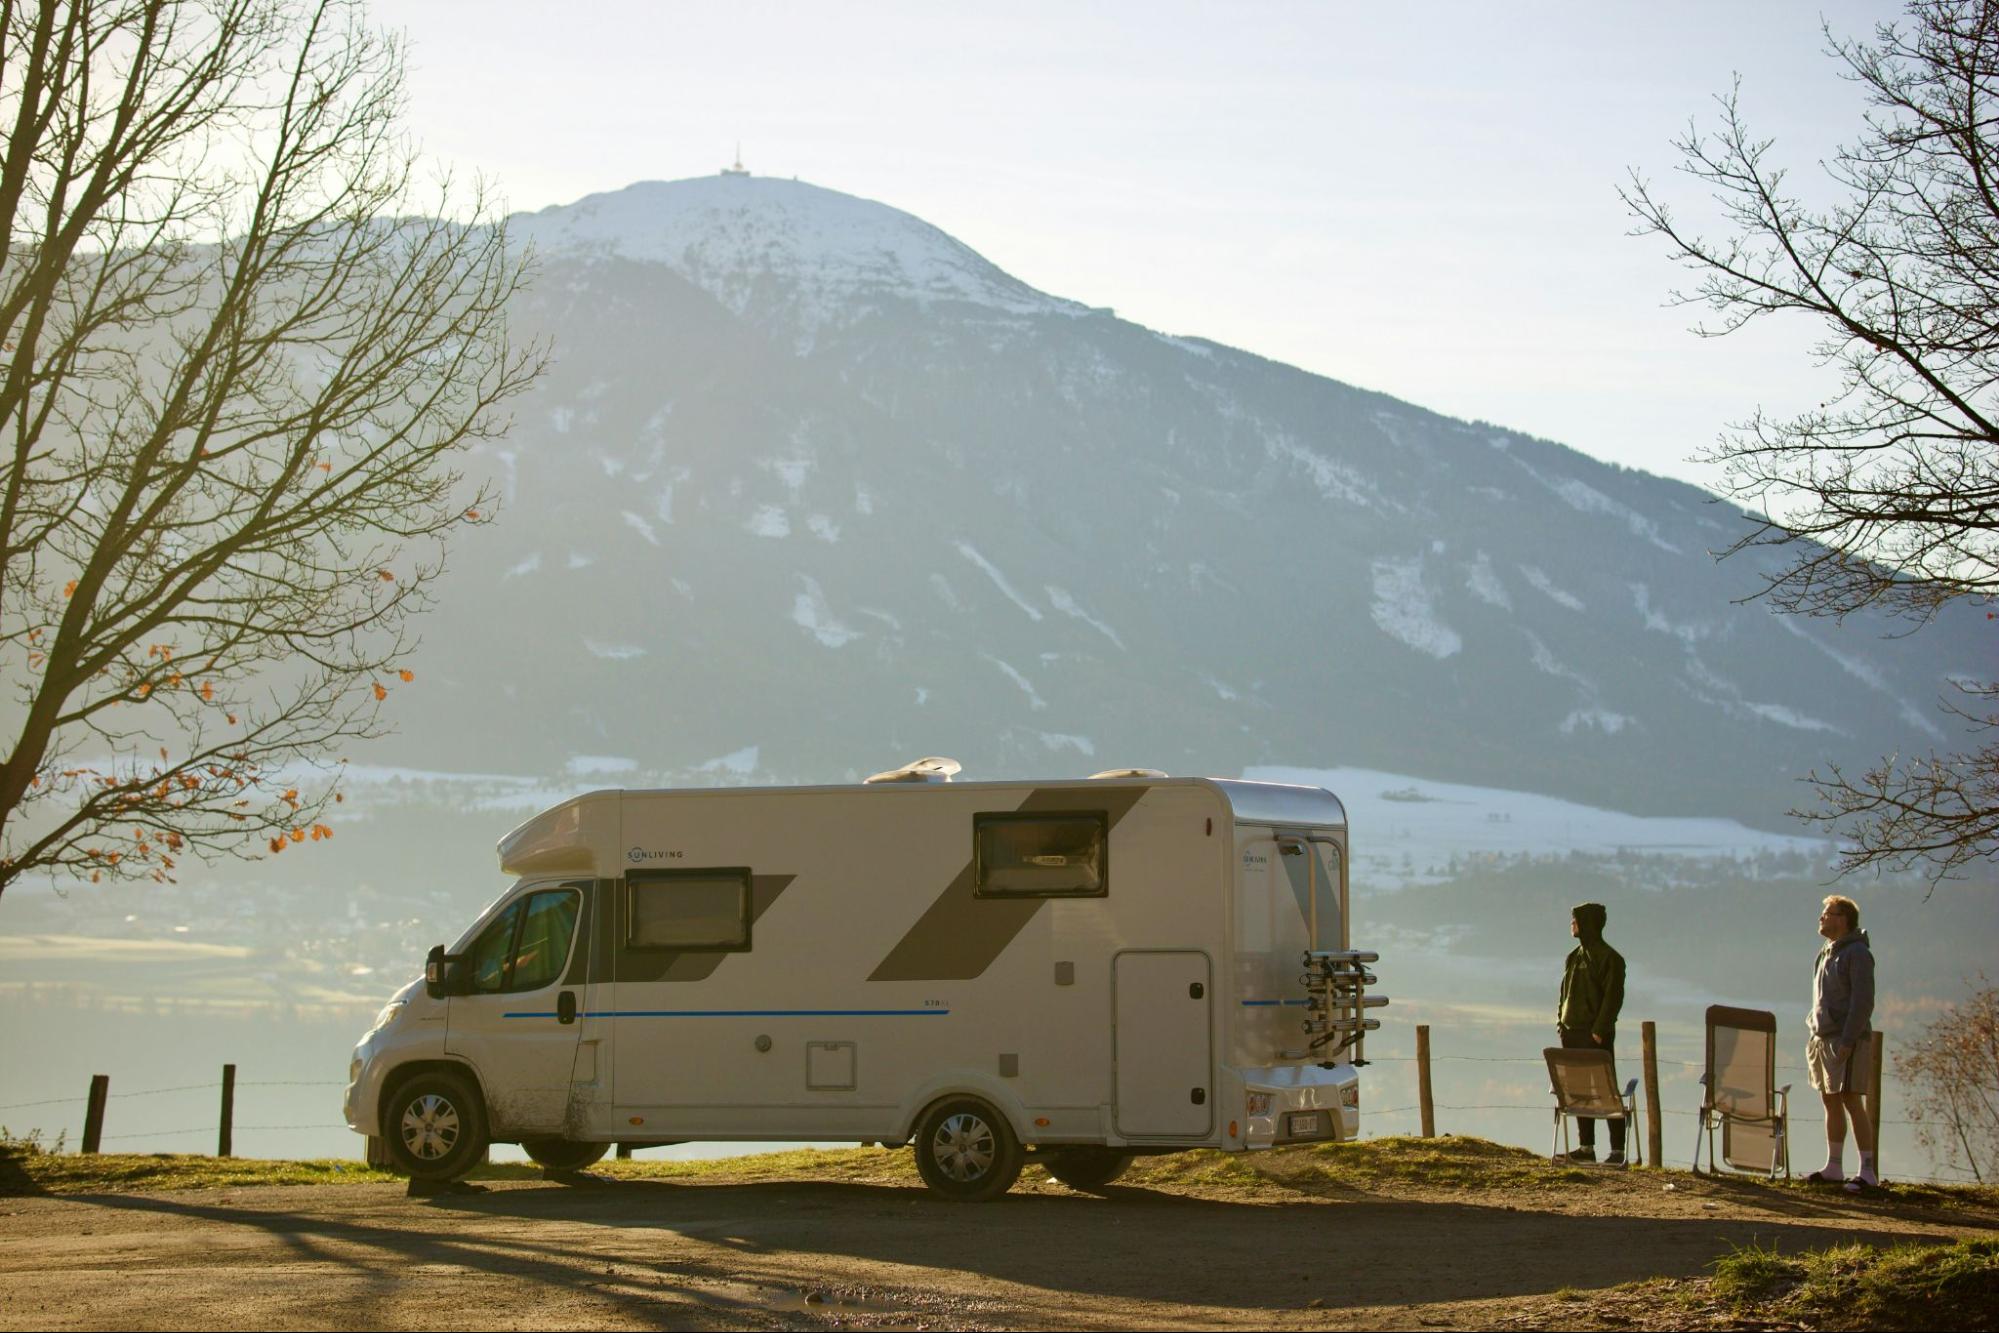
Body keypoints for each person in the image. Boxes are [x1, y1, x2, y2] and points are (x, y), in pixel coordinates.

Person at [1807, 894, 1878, 1191]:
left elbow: (1863, 1001)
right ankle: (1834, 1166)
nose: (1822, 917)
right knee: (1830, 1099)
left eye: (1828, 912)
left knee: (1851, 1098)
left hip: (1846, 1039)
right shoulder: (1825, 952)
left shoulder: (1857, 954)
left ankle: (1867, 1172)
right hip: (1823, 1038)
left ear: (1843, 919)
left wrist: (1848, 1039)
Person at [1557, 902, 1627, 1165]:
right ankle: (1586, 1147)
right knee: (1579, 1090)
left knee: (1605, 1088)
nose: (1571, 925)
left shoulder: (1610, 958)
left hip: (1595, 1035)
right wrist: (1560, 1023)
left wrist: (1599, 1031)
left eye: (1574, 920)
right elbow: (1564, 993)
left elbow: (1613, 998)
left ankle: (1617, 1150)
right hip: (1571, 1033)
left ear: (1587, 924)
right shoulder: (1573, 957)